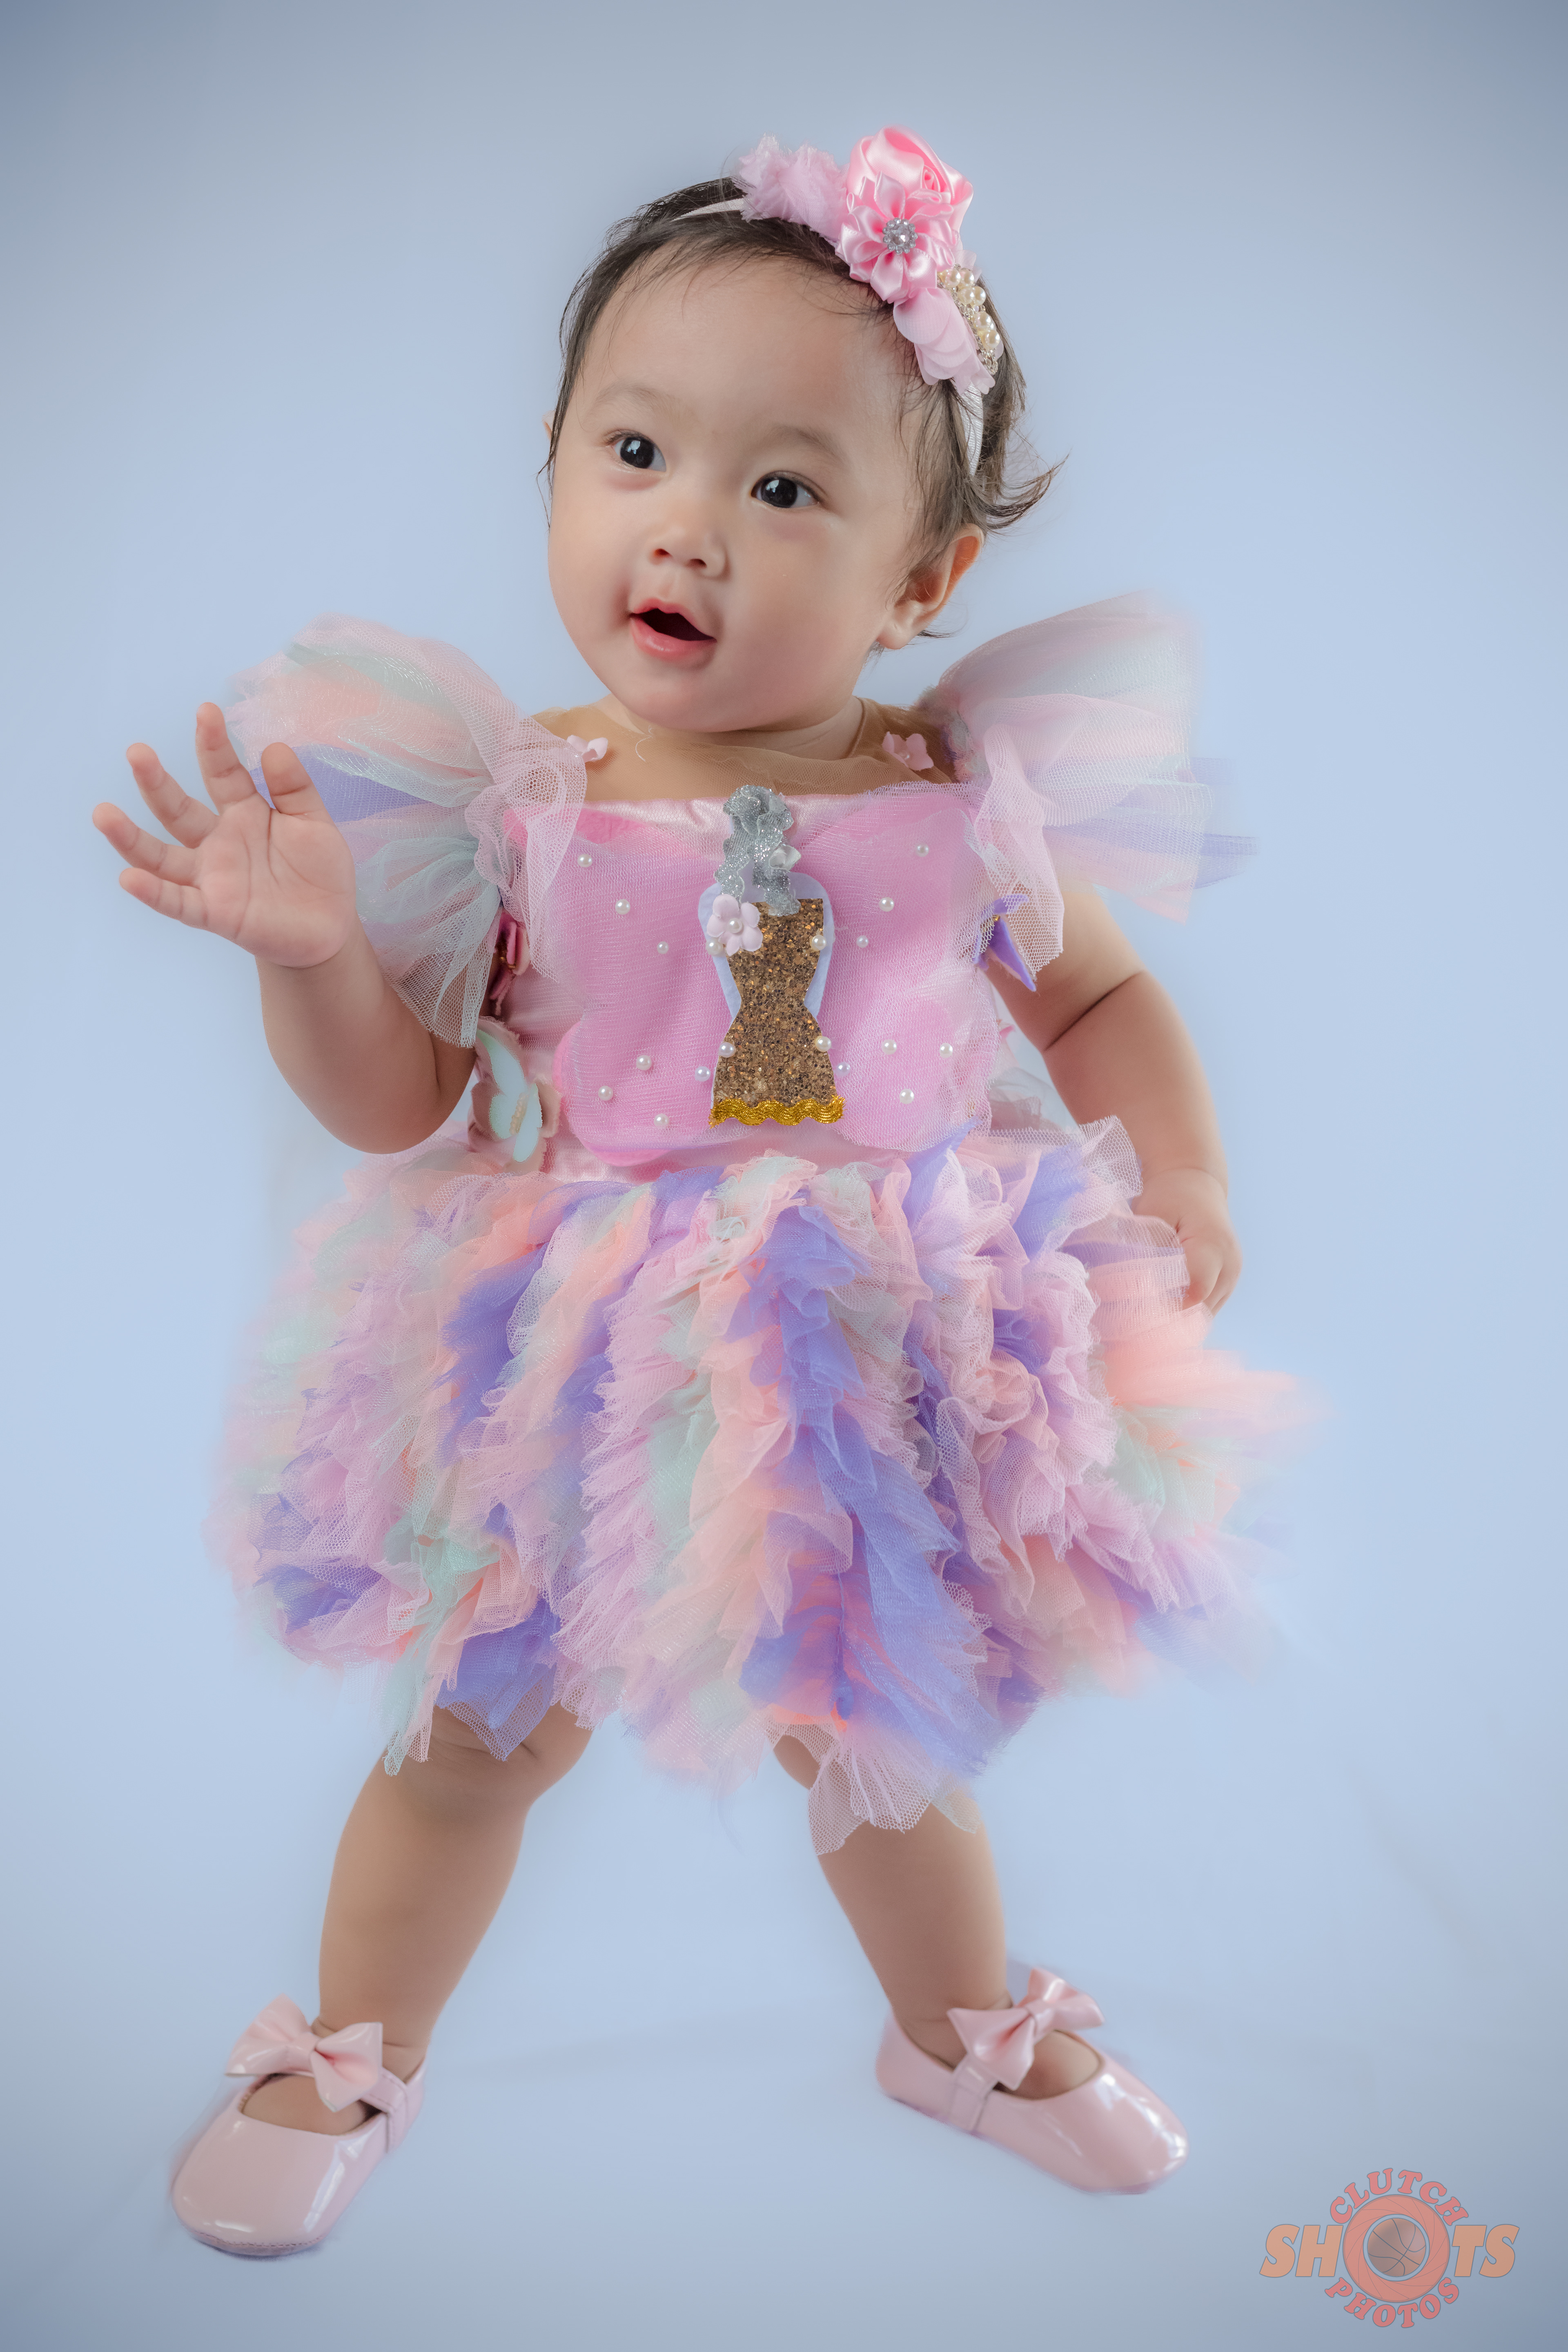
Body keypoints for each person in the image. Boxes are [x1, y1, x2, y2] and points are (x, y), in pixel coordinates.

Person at [95, 126, 1298, 2258]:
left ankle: (954, 2029)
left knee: (879, 1731)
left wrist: (1181, 1169)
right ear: (557, 464)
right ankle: (352, 2044)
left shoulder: (960, 793)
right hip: (568, 1350)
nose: (688, 526)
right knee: (476, 1730)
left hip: (867, 1342)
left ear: (922, 583)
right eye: (636, 450)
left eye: (786, 488)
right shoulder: (518, 800)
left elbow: (1103, 998)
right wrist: (319, 961)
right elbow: (396, 1103)